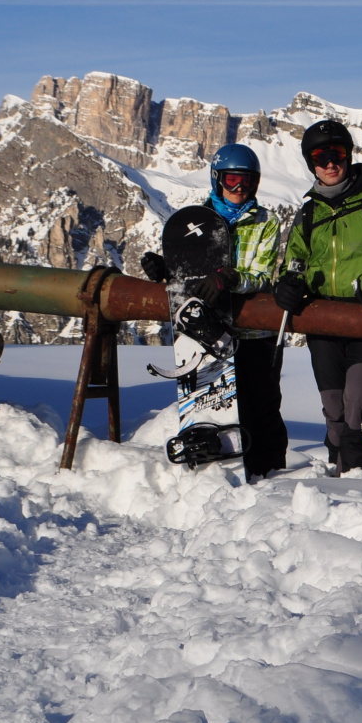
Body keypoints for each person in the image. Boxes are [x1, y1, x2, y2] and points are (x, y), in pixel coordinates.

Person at [274, 119, 362, 476]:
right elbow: (295, 259)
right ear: (311, 163)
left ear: (348, 155)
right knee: (333, 407)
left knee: (357, 401)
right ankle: (338, 472)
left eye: (336, 154)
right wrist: (288, 284)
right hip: (322, 320)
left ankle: (357, 479)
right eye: (319, 157)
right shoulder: (309, 212)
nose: (329, 163)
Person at [143, 143, 288, 479]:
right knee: (217, 407)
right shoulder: (196, 220)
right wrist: (166, 270)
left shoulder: (266, 221)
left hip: (252, 332)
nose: (240, 189)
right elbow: (190, 273)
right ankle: (215, 470)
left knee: (261, 406)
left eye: (248, 182)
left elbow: (263, 276)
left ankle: (271, 476)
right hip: (209, 334)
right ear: (217, 179)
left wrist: (231, 278)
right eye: (233, 180)